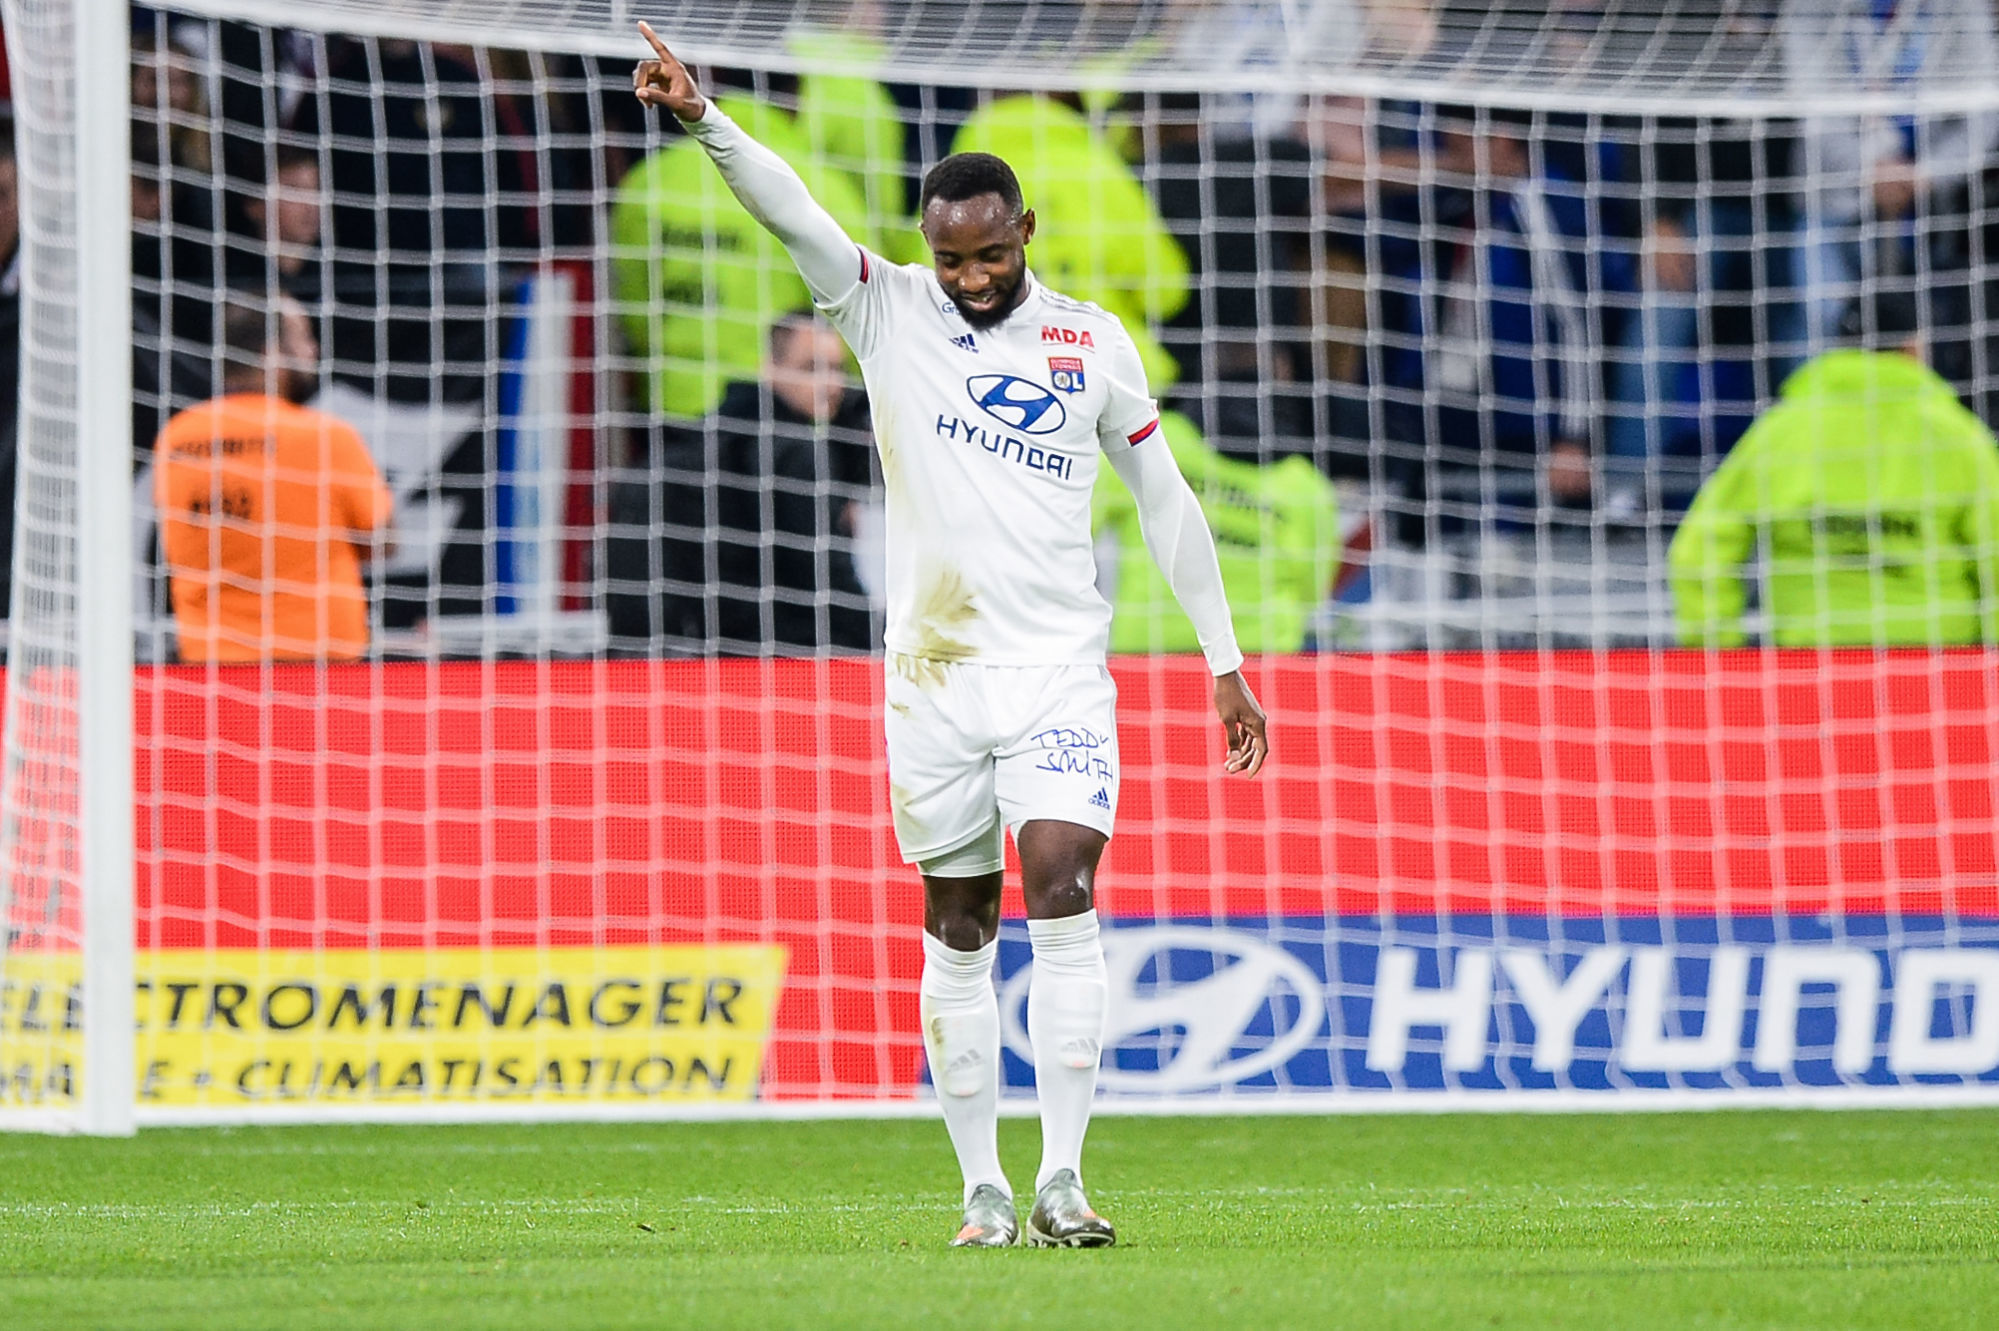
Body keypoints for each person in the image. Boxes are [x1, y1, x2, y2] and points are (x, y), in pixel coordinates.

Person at [635, 22, 1268, 1248]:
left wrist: (1223, 663)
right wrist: (704, 117)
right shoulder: (890, 312)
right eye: (950, 259)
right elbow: (796, 212)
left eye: (985, 257)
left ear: (1022, 233)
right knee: (962, 924)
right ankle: (982, 1183)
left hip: (1056, 675)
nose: (969, 280)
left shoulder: (1091, 342)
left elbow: (1167, 502)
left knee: (1063, 888)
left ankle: (1065, 1178)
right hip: (930, 679)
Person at [1668, 291, 1999, 647]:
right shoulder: (1957, 435)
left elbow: (1699, 549)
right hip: (1939, 666)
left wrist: (1720, 654)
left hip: (1810, 660)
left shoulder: (1783, 429)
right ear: (1913, 347)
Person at [606, 313, 877, 653]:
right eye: (811, 368)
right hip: (755, 658)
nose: (831, 385)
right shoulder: (791, 451)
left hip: (674, 650)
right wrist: (885, 645)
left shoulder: (710, 435)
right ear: (769, 368)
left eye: (837, 369)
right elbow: (827, 581)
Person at [611, 88, 877, 422]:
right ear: (796, 103)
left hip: (677, 404)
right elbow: (864, 310)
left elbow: (636, 308)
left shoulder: (650, 181)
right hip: (781, 415)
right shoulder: (825, 188)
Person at [155, 296, 394, 663]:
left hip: (212, 664)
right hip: (320, 663)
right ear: (271, 354)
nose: (313, 351)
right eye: (302, 339)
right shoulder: (324, 437)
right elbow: (382, 540)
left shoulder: (177, 437)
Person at [1094, 409, 1340, 654]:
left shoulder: (1150, 439)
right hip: (1260, 655)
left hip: (1149, 648)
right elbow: (1313, 592)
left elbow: (1078, 525)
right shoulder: (1306, 485)